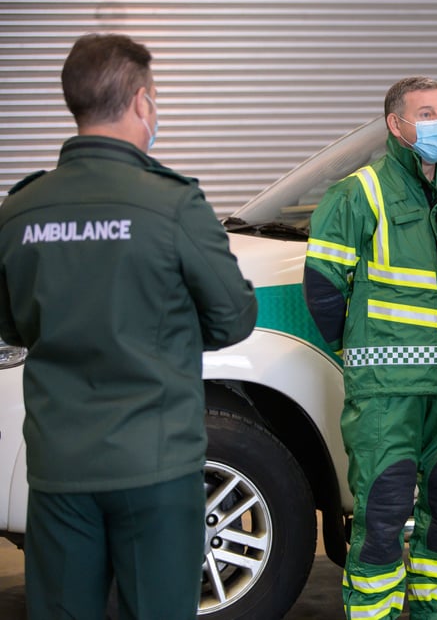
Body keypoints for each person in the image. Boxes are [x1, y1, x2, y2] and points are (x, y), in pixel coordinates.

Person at [0, 33, 258, 619]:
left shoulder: (20, 211)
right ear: (142, 102)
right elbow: (235, 315)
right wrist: (164, 333)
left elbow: (12, 323)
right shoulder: (171, 204)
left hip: (61, 465)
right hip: (155, 465)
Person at [303, 76, 437, 620]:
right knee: (381, 519)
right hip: (387, 393)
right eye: (426, 113)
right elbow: (323, 290)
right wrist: (364, 350)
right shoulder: (357, 195)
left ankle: (431, 615)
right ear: (396, 124)